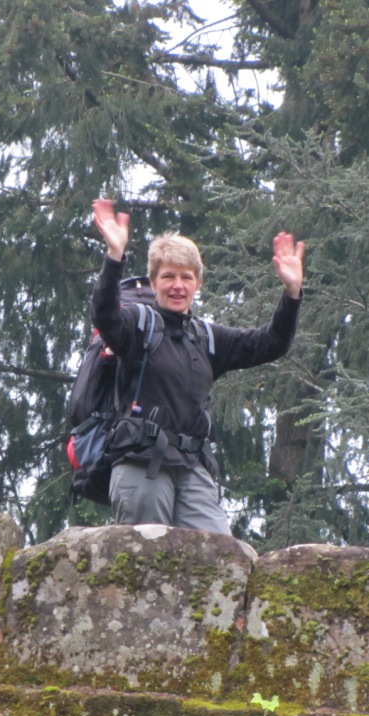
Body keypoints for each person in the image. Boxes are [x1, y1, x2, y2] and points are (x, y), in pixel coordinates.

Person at [91, 198, 305, 535]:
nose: (178, 285)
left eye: (186, 277)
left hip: (193, 466)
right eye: (168, 276)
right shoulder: (136, 325)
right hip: (141, 462)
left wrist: (292, 293)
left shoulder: (205, 337)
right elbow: (105, 315)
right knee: (147, 557)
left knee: (221, 554)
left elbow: (271, 343)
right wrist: (114, 255)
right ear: (154, 283)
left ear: (197, 284)